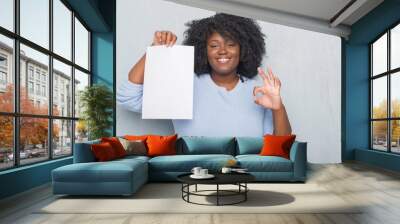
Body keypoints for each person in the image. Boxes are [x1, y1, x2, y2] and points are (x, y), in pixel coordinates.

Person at [117, 13, 291, 137]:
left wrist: (278, 108)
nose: (222, 51)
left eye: (231, 44)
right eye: (214, 45)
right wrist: (154, 51)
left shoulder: (258, 91)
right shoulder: (183, 83)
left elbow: (281, 144)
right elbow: (128, 97)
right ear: (203, 50)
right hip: (193, 177)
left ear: (243, 49)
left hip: (246, 177)